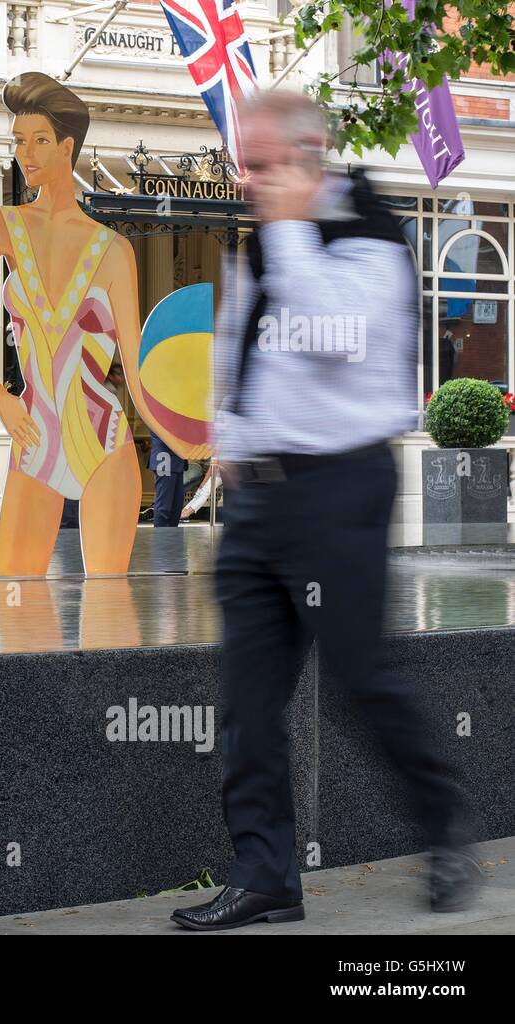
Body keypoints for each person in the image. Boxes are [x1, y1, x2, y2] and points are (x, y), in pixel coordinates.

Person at [171, 91, 478, 931]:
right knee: (247, 697)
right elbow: (240, 343)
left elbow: (329, 334)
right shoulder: (268, 240)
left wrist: (291, 224)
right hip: (259, 499)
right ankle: (265, 874)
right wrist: (229, 434)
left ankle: (444, 821)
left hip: (339, 490)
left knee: (360, 678)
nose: (248, 181)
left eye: (263, 165)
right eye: (246, 165)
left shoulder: (372, 238)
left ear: (310, 159)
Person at [0, 72, 171, 575]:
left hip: (105, 441)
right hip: (34, 436)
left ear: (67, 146)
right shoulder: (3, 225)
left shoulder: (114, 250)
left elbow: (134, 360)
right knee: (16, 609)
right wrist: (0, 397)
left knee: (109, 614)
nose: (26, 153)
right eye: (19, 140)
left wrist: (185, 433)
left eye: (40, 140)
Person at [147, 432, 186, 527]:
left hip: (177, 460)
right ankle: (162, 539)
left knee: (176, 506)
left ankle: (171, 538)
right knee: (164, 506)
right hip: (164, 459)